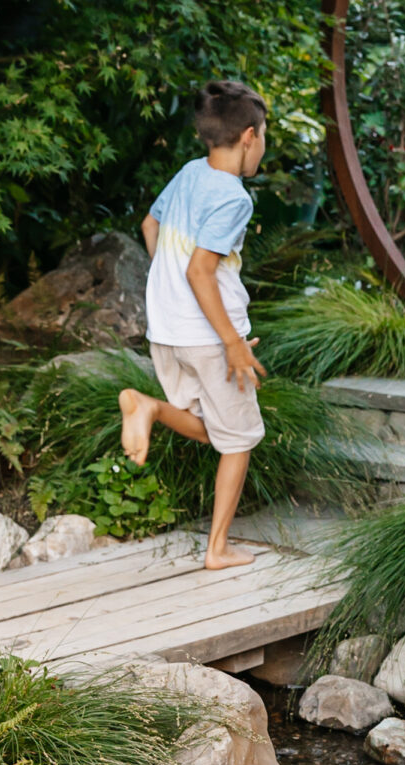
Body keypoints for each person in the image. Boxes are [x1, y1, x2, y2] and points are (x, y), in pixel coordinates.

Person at [119, 80, 268, 570]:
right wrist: (233, 343)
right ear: (249, 136)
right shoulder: (234, 198)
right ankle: (217, 549)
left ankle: (150, 408)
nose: (262, 147)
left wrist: (175, 299)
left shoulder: (188, 173)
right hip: (208, 337)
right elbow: (200, 271)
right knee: (239, 440)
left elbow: (150, 225)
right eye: (264, 136)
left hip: (167, 331)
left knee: (212, 431)